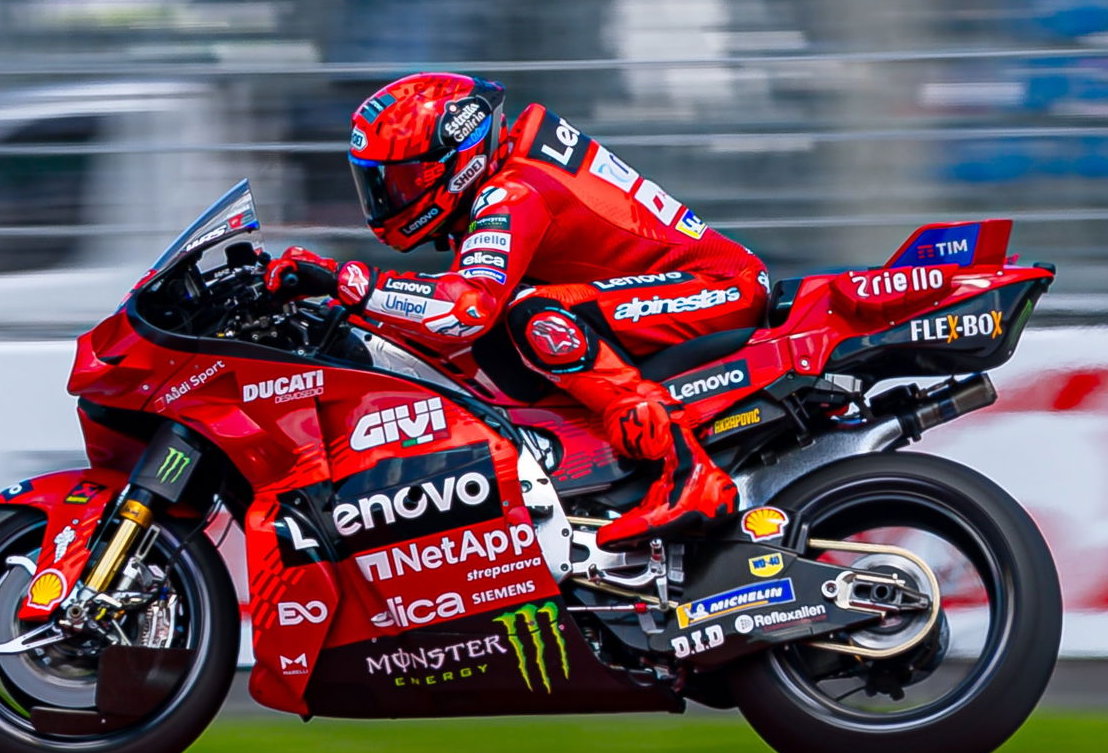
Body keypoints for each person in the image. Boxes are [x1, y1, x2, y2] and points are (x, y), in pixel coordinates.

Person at [266, 72, 767, 550]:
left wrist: (344, 281)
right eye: (378, 184)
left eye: (404, 180)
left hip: (722, 287)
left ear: (455, 161)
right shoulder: (499, 179)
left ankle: (688, 473)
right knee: (504, 328)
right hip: (683, 288)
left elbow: (465, 308)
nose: (387, 198)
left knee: (535, 315)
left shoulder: (514, 190)